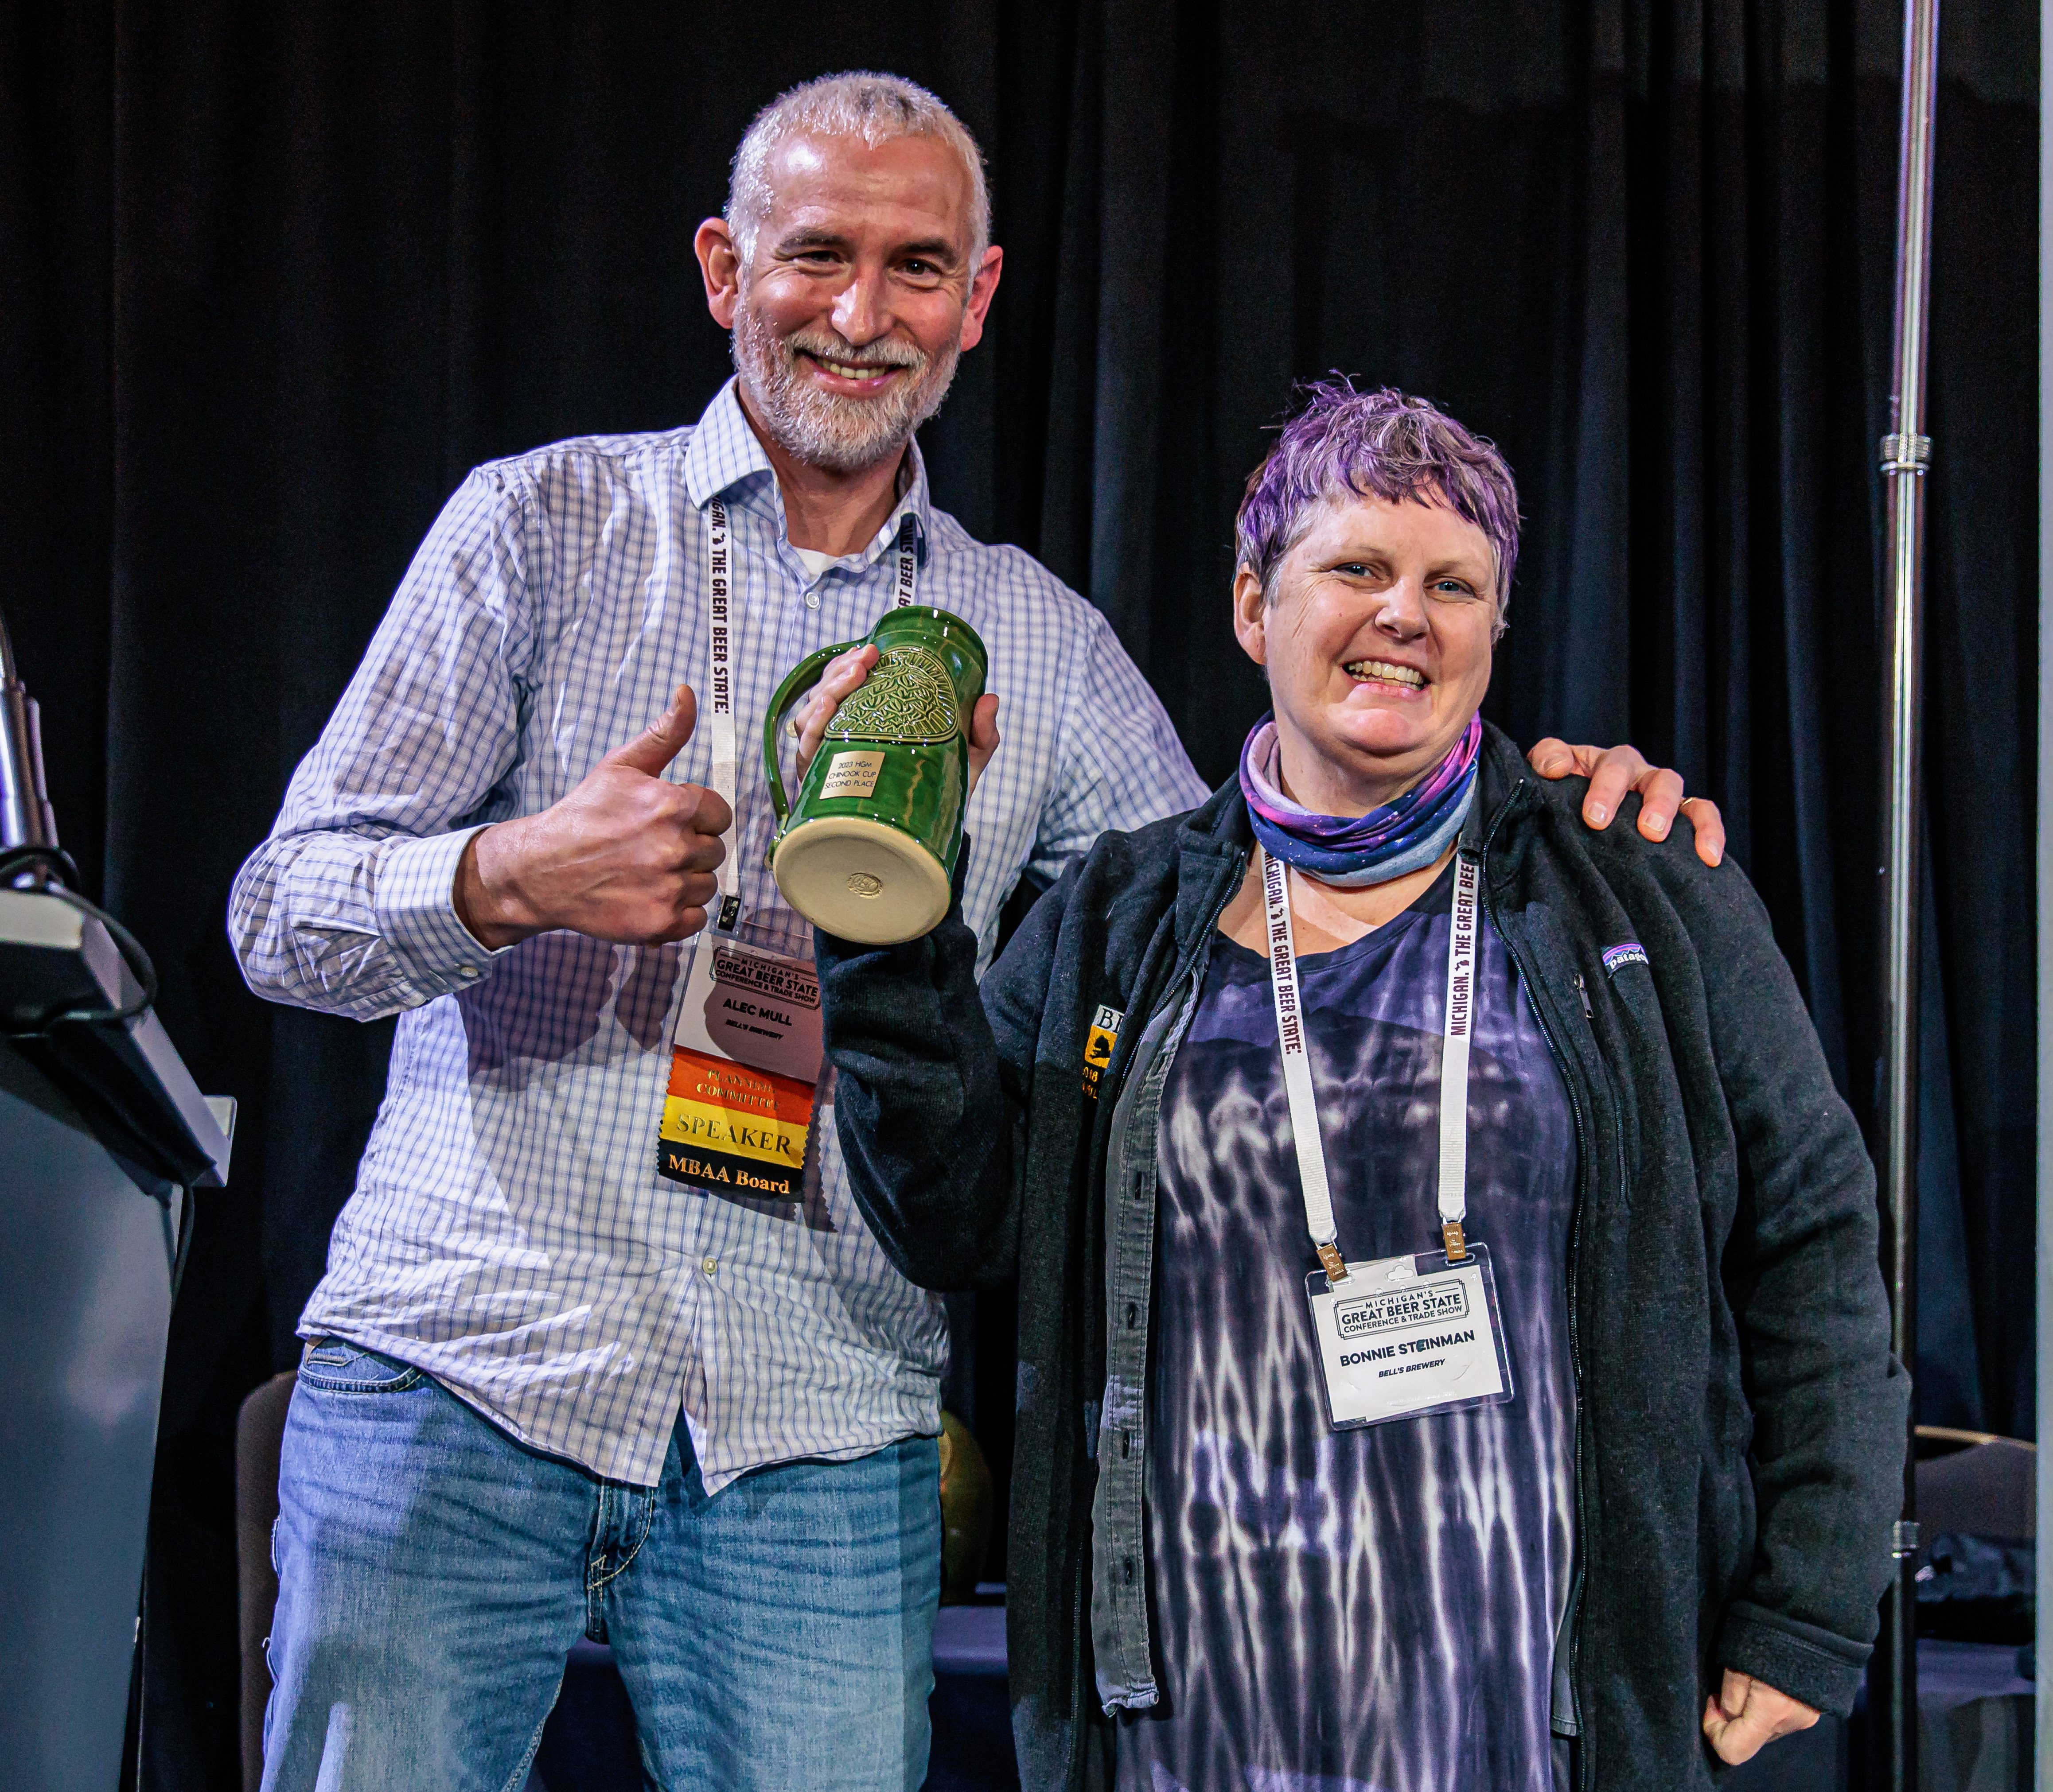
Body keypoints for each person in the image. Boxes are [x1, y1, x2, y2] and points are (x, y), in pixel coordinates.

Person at [229, 74, 1717, 1792]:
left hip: (821, 1424)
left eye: (916, 266)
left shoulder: (1039, 639)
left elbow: (1267, 907)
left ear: (982, 300)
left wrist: (1545, 804)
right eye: (816, 257)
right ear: (723, 269)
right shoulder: (539, 528)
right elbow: (279, 914)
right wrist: (508, 875)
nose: (861, 316)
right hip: (469, 1367)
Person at [817, 381, 1905, 1792]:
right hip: (1192, 1708)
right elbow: (957, 1221)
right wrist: (884, 935)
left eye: (1455, 584)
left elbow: (1812, 1235)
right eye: (1357, 569)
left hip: (1531, 1709)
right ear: (1253, 608)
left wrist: (1812, 1597)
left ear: (1494, 630)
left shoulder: (1638, 886)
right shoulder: (1116, 916)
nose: (1407, 614)